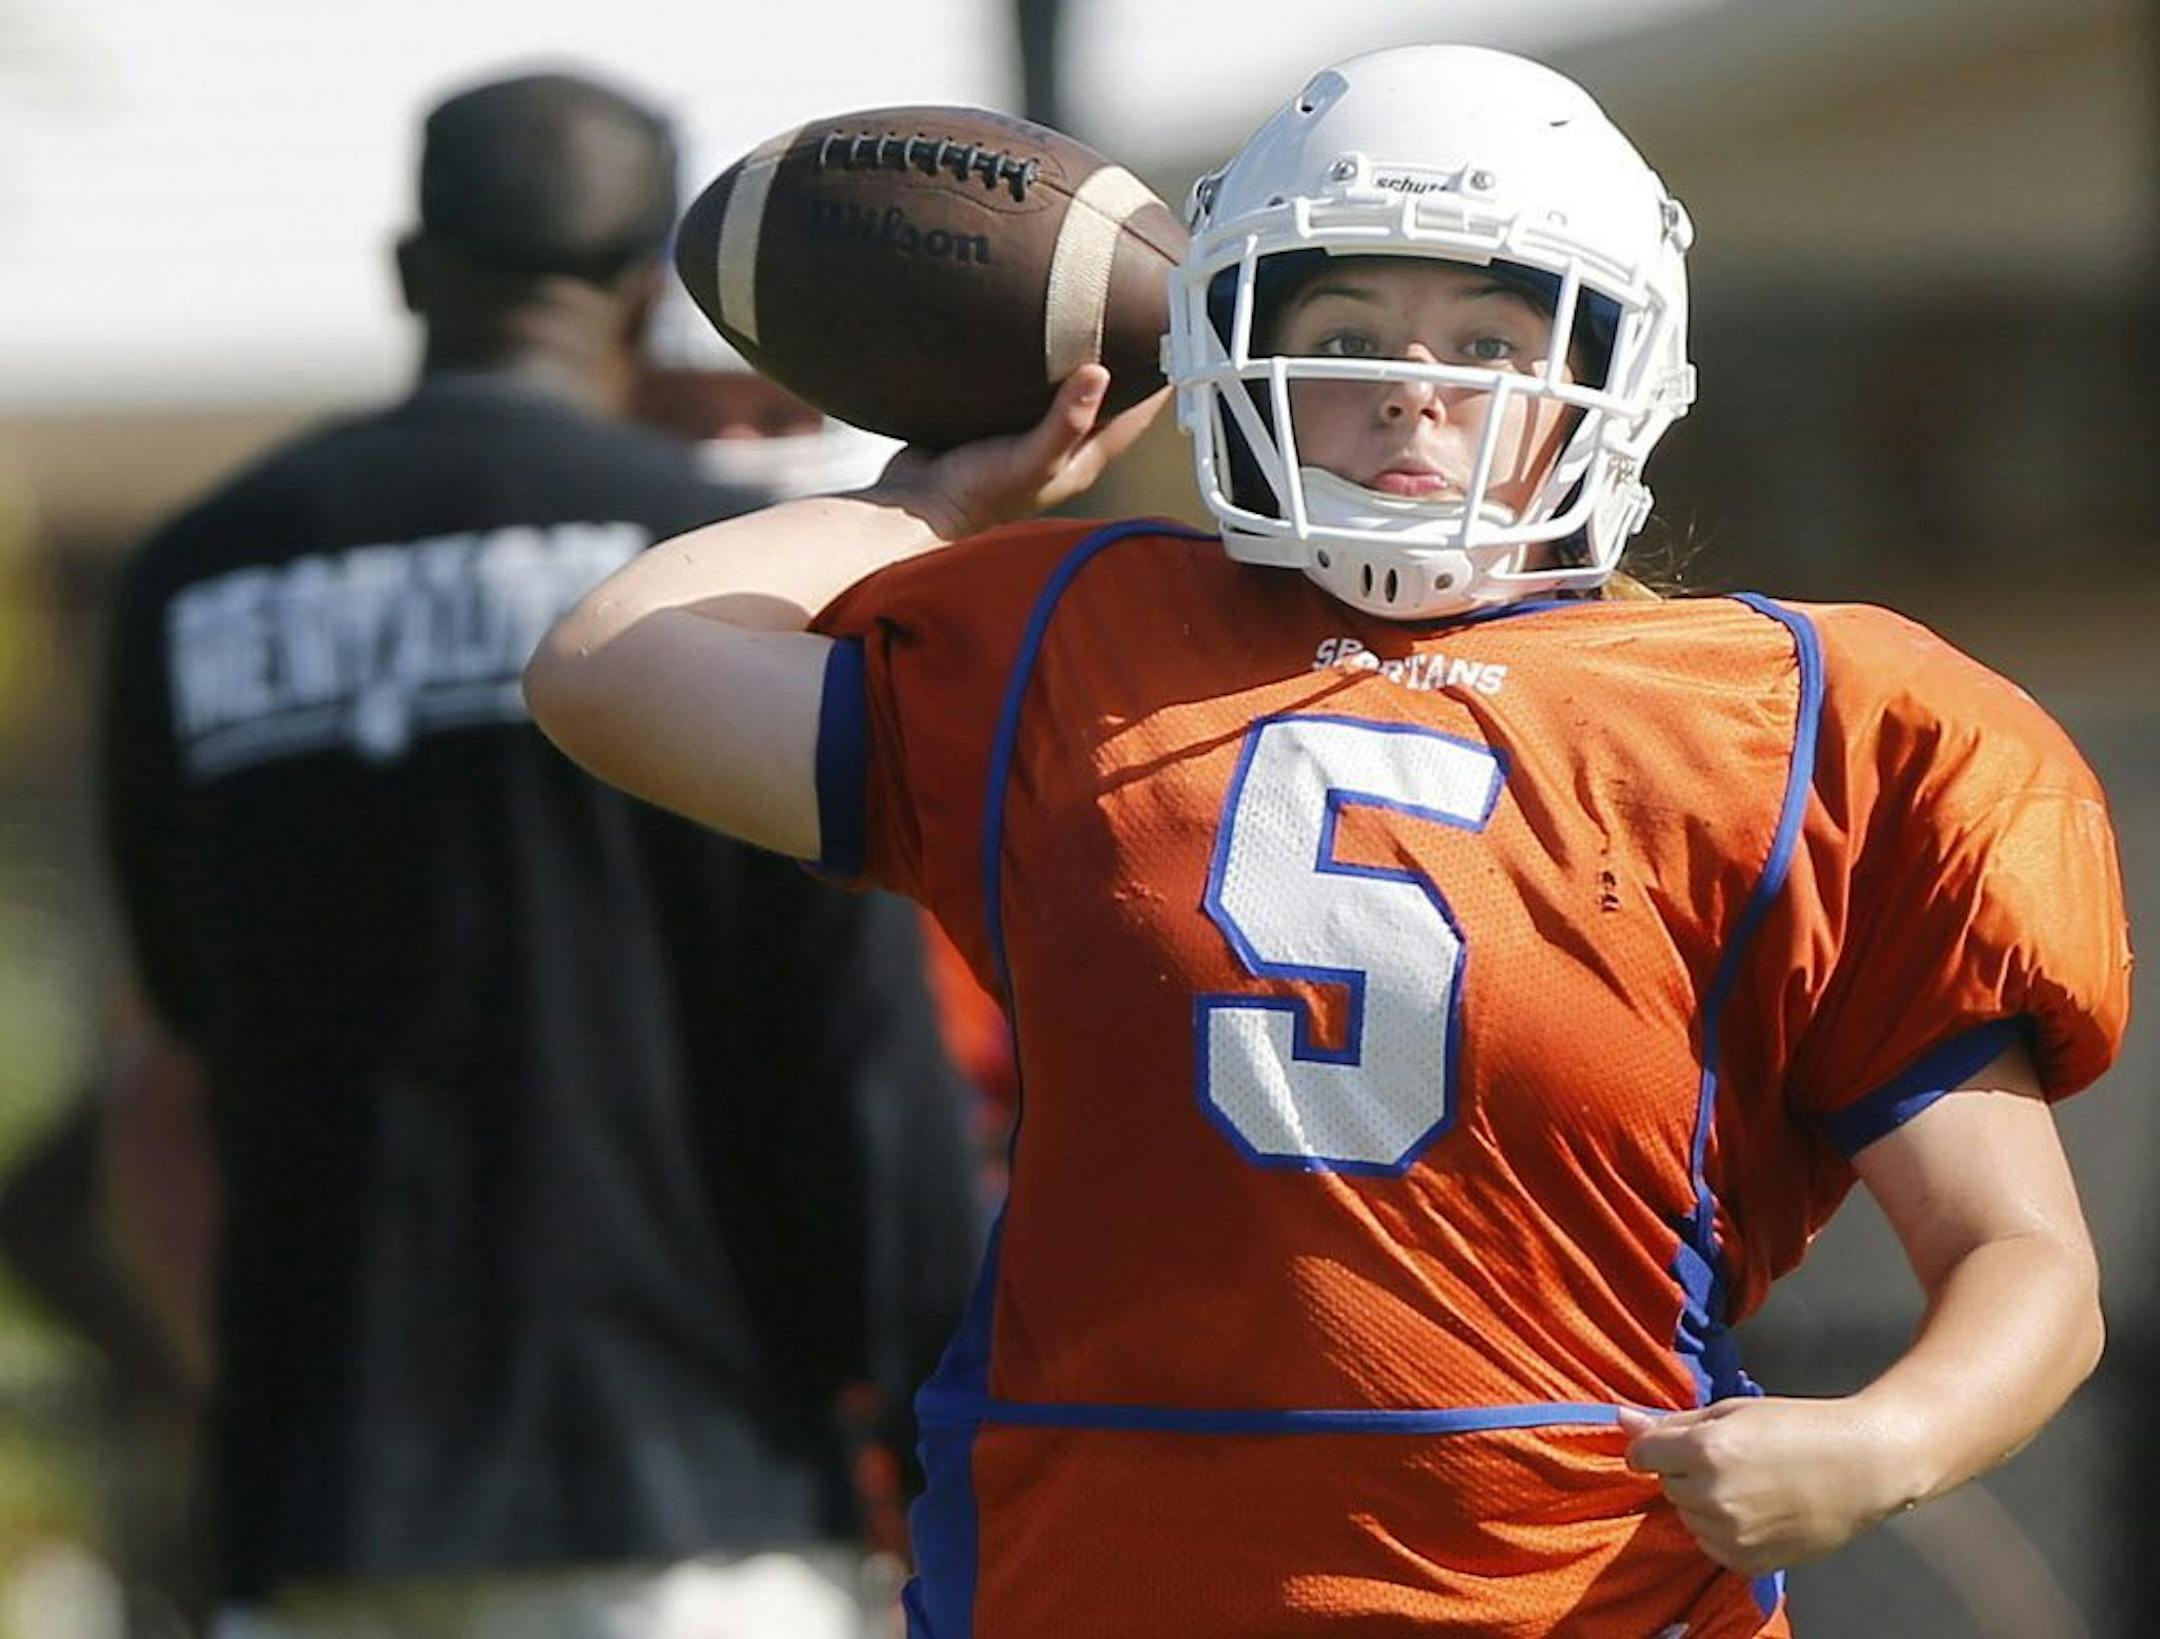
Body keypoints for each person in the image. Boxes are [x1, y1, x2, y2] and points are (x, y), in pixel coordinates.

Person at [521, 43, 2133, 1639]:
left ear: (1611, 374)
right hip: (1093, 1584)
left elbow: (2019, 1255)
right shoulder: (1073, 636)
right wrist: (938, 505)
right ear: (1231, 351)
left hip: (1576, 1600)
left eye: (1489, 336)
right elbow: (611, 666)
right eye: (1348, 330)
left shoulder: (1798, 721)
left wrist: (1887, 1440)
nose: (1413, 386)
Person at [98, 67, 980, 1639]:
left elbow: (168, 1070)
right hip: (692, 1505)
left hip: (322, 1510)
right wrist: (943, 1439)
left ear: (407, 273)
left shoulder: (195, 572)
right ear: (648, 296)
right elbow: (858, 1063)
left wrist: (257, 1415)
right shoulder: (715, 589)